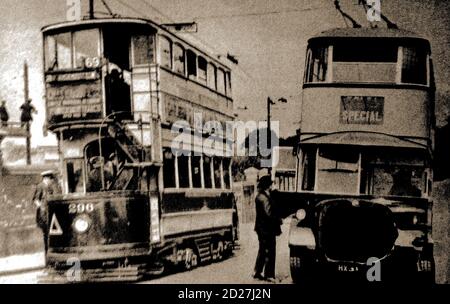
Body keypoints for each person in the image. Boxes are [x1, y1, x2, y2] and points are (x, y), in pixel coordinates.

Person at [253, 175, 282, 283]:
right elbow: (269, 214)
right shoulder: (264, 198)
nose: (273, 185)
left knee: (262, 250)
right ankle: (269, 275)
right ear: (268, 185)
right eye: (271, 184)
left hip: (261, 228)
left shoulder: (261, 196)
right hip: (267, 229)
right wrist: (279, 220)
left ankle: (257, 272)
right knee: (270, 251)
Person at [32, 170, 61, 255]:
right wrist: (41, 208)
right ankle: (47, 252)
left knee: (50, 234)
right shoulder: (40, 186)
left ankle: (50, 251)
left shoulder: (50, 187)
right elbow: (36, 200)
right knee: (46, 233)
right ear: (46, 178)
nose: (51, 181)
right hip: (44, 214)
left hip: (50, 213)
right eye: (50, 179)